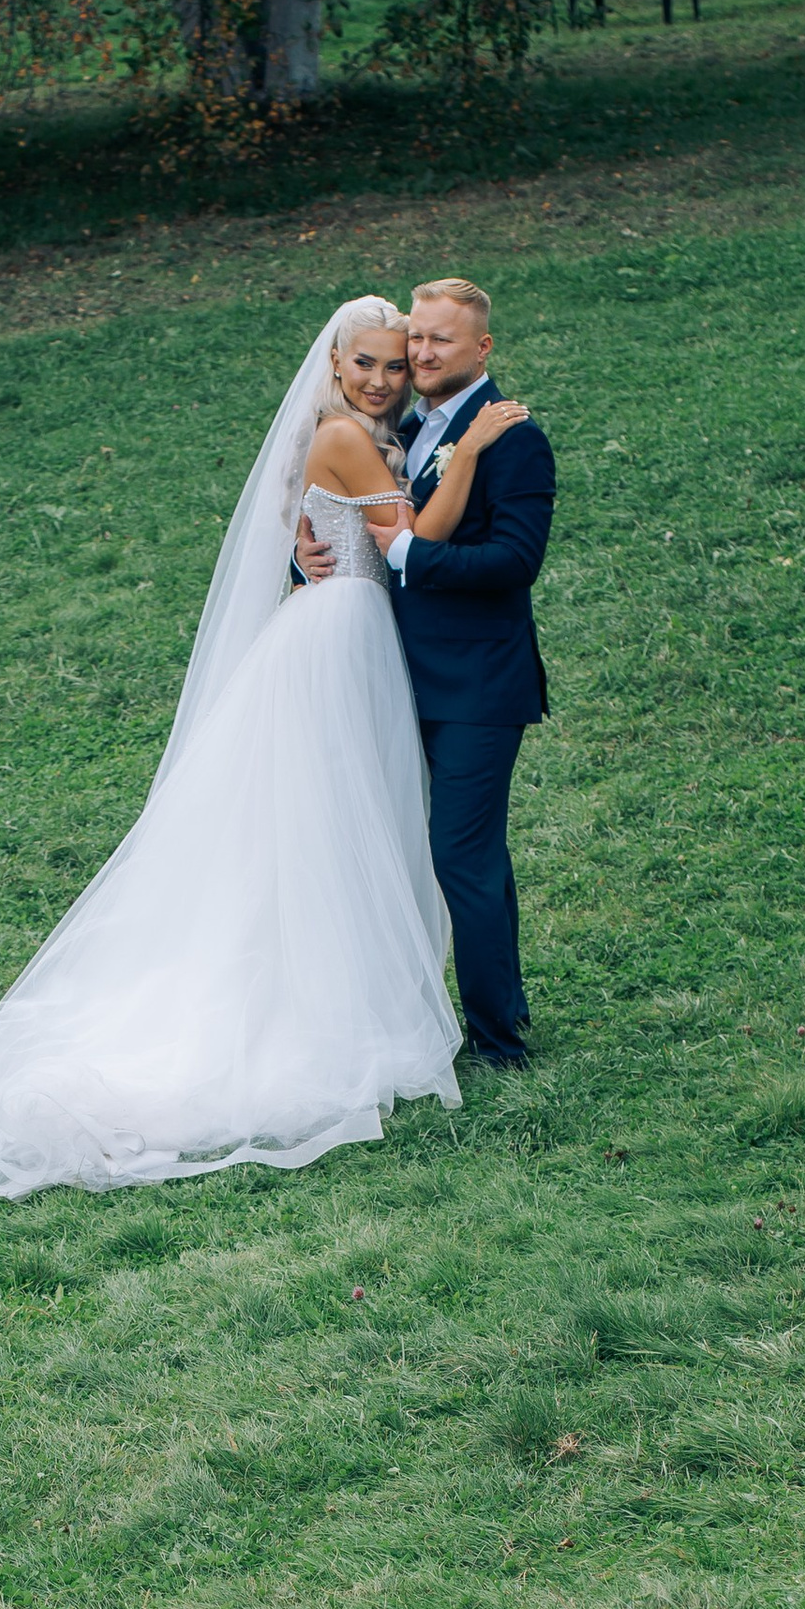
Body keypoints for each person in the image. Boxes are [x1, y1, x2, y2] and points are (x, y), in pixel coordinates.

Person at [0, 299, 529, 1198]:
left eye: (395, 362)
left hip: (360, 633)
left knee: (355, 830)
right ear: (334, 365)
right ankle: (315, 1017)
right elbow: (419, 536)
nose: (383, 377)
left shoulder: (374, 431)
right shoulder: (345, 436)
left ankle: (360, 997)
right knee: (324, 829)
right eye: (366, 363)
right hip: (340, 637)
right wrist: (473, 450)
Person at [296, 276, 556, 1069]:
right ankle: (452, 1012)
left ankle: (497, 1042)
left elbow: (516, 561)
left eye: (442, 340)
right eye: (420, 338)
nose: (423, 352)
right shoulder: (396, 426)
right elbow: (330, 507)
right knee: (401, 850)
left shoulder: (511, 435)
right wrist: (305, 555)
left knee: (461, 855)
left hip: (477, 685)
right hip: (392, 677)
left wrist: (405, 553)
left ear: (481, 349)